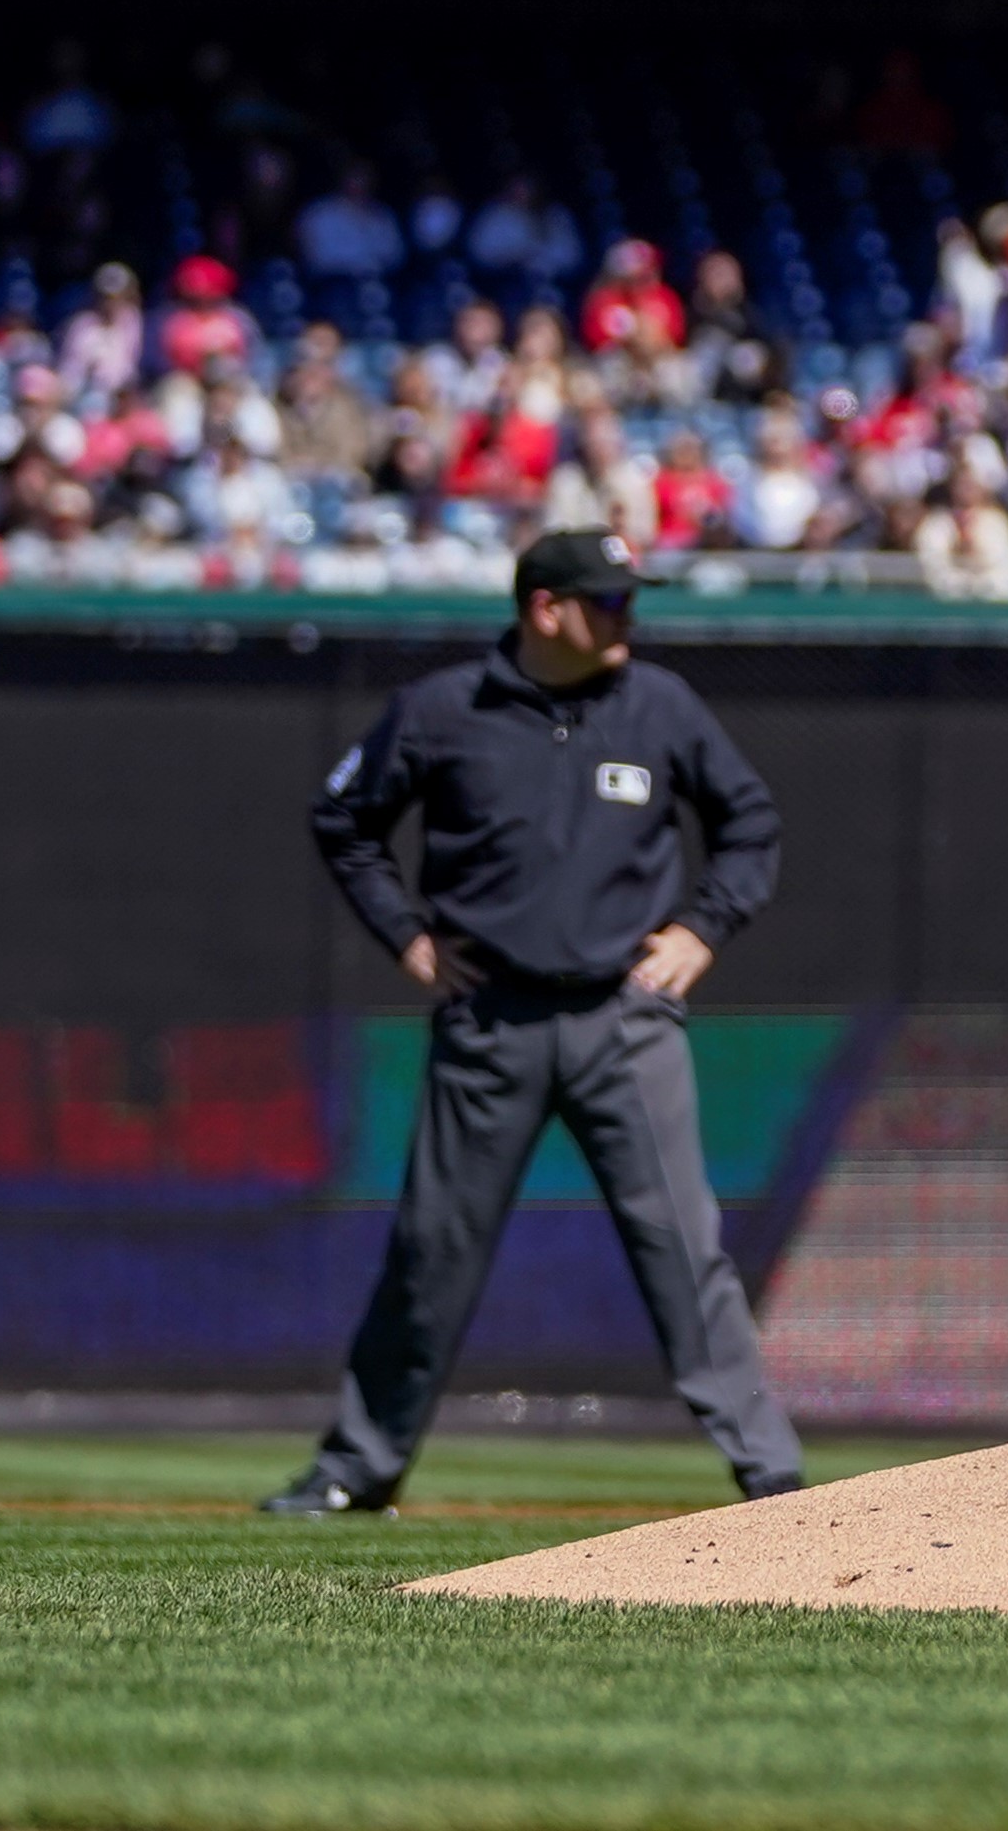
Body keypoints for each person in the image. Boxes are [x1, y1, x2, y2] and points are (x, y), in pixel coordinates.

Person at [267, 529, 802, 1513]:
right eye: (607, 602)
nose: (626, 619)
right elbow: (344, 820)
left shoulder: (658, 704)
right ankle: (357, 1468)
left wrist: (700, 925)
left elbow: (749, 824)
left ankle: (772, 1474)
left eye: (631, 599)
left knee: (688, 1251)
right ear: (544, 607)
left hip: (624, 1019)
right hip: (491, 1019)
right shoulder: (443, 710)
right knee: (433, 1247)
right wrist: (408, 937)